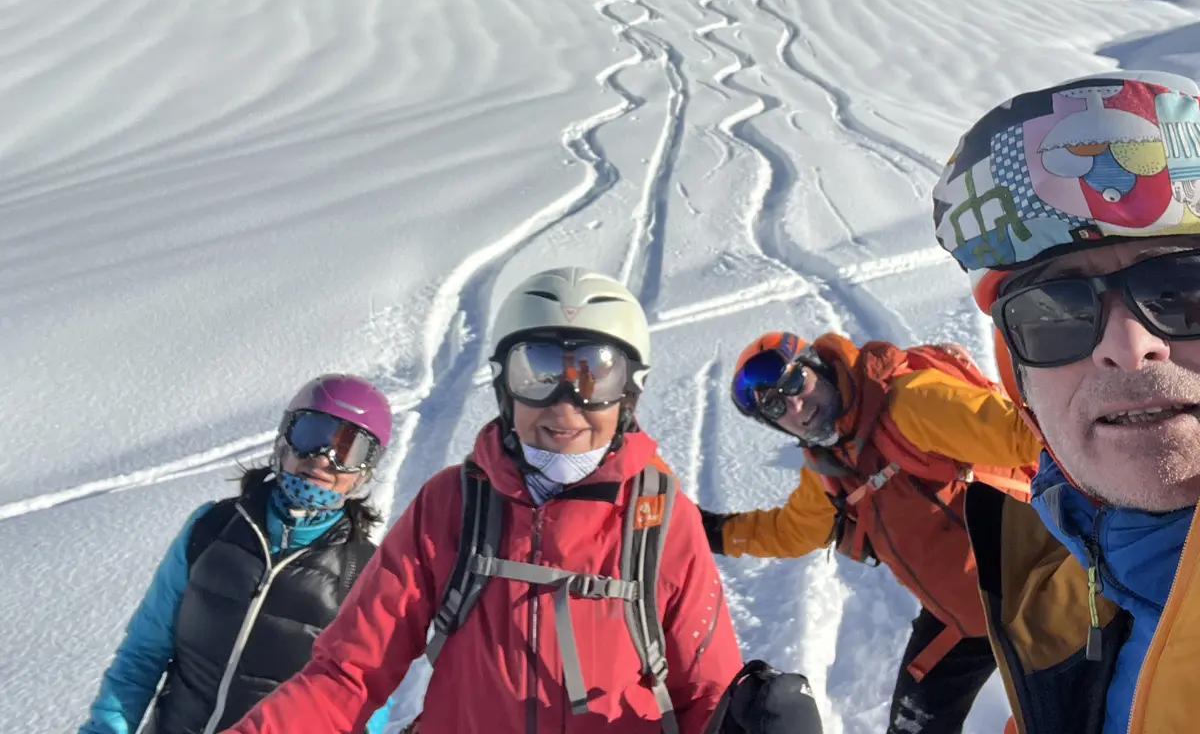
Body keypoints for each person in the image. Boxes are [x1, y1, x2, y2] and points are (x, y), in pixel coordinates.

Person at [220, 267, 744, 734]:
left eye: (594, 375)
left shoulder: (658, 519)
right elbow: (348, 674)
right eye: (536, 374)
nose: (565, 405)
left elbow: (708, 696)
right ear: (504, 388)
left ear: (629, 393)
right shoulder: (453, 504)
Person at [933, 68, 1200, 733]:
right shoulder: (1057, 608)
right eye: (1053, 313)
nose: (1129, 345)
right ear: (1017, 377)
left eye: (1184, 289)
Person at [699, 329, 1040, 734]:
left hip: (1036, 593)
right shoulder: (829, 463)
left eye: (795, 381)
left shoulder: (913, 403)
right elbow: (795, 531)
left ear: (818, 367)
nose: (795, 404)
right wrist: (713, 533)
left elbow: (1031, 439)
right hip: (962, 617)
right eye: (775, 406)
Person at [80, 374, 395, 734]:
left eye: (348, 450)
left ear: (364, 472)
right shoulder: (211, 528)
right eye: (310, 434)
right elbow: (144, 653)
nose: (324, 460)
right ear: (283, 441)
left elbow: (363, 706)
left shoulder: (364, 574)